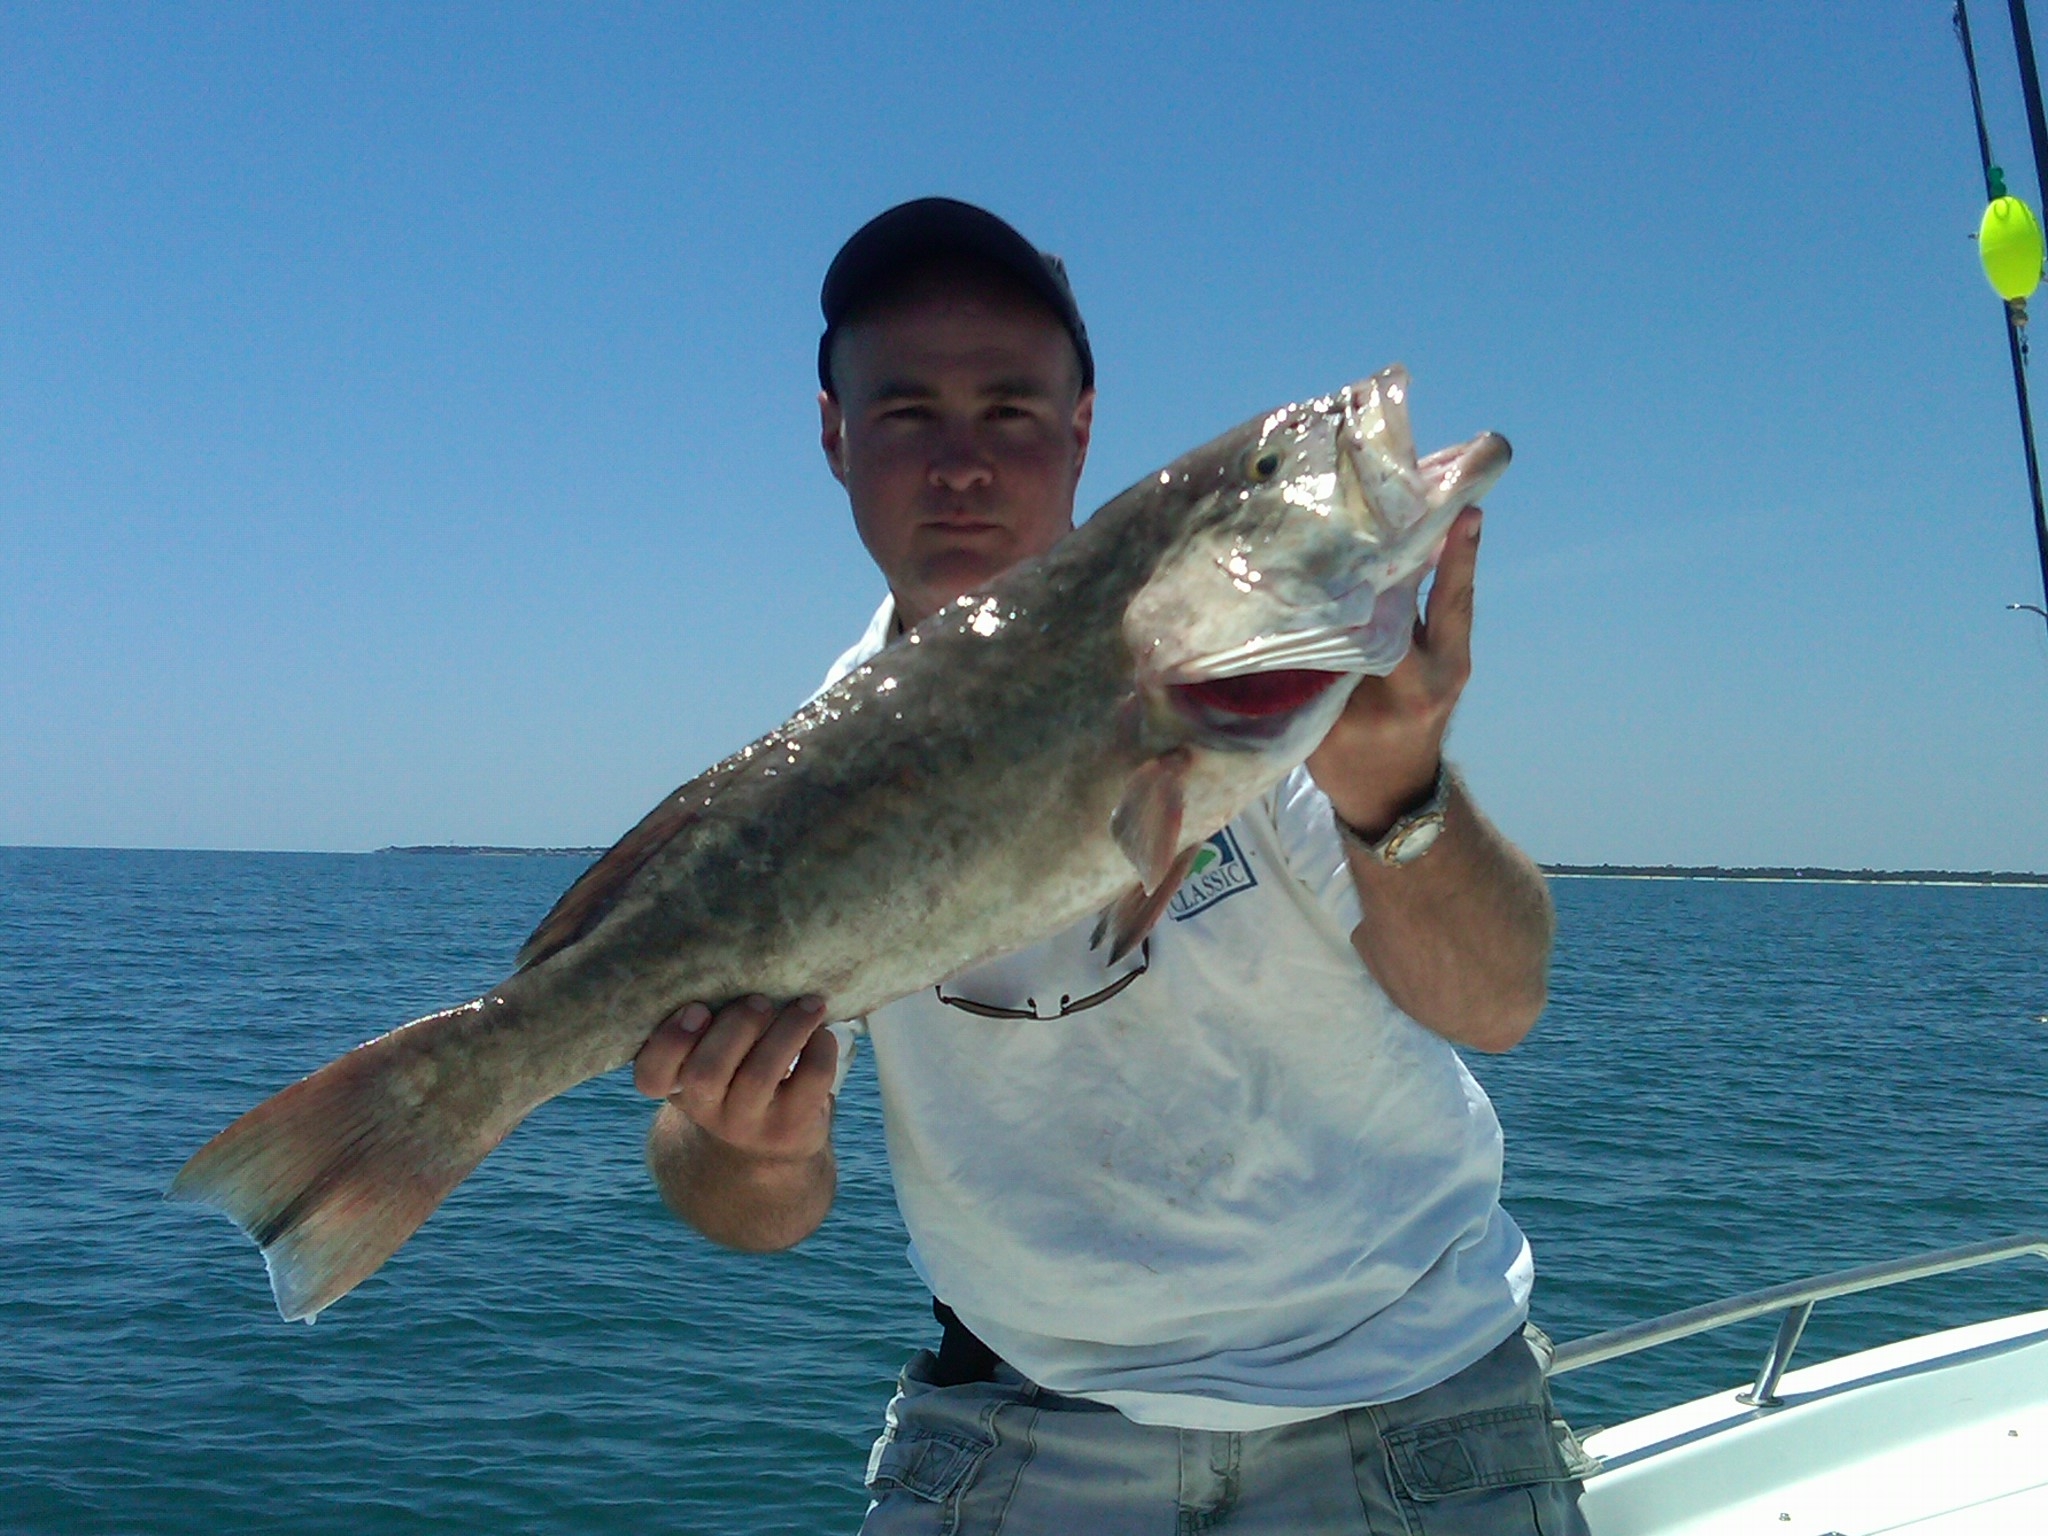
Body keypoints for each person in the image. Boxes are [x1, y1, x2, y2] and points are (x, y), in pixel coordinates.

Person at [633, 198, 1592, 1533]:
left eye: (1012, 412)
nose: (964, 463)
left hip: (1412, 1395)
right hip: (1022, 1424)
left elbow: (1501, 1006)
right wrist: (751, 1144)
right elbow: (744, 1208)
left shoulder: (1245, 669)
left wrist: (1399, 786)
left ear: (1082, 429)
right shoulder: (810, 783)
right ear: (833, 435)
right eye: (908, 411)